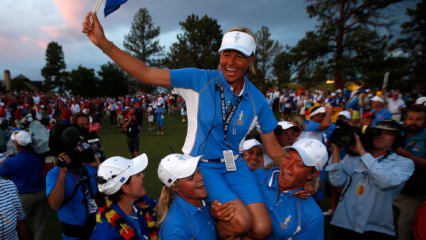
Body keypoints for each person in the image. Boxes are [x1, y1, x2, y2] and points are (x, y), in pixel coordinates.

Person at [83, 15, 288, 238]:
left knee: (261, 228)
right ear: (220, 55)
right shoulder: (198, 79)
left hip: (234, 165)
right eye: (226, 54)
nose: (230, 62)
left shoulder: (257, 99)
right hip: (201, 167)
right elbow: (145, 72)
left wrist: (302, 175)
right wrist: (103, 43)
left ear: (251, 60)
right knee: (241, 222)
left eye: (239, 56)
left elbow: (275, 151)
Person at [327, 120, 414, 239]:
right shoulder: (353, 158)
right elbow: (336, 181)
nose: (380, 136)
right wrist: (336, 151)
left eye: (388, 133)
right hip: (344, 222)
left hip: (377, 228)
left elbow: (386, 182)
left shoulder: (404, 163)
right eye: (377, 132)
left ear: (396, 139)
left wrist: (363, 152)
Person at [254, 138, 328, 240]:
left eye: (299, 164)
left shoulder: (312, 216)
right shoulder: (256, 177)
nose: (288, 166)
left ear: (313, 174)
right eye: (288, 157)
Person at [46, 125, 99, 240]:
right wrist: (63, 172)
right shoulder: (54, 174)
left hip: (97, 228)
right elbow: (54, 205)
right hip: (74, 233)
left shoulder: (88, 168)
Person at [91, 154, 158, 239]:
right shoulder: (106, 234)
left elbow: (160, 205)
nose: (142, 175)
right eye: (137, 174)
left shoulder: (142, 202)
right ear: (125, 188)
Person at [156, 154, 221, 239]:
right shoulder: (175, 228)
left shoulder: (205, 202)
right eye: (191, 178)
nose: (200, 178)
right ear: (175, 187)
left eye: (198, 171)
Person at [0, 130, 47, 240]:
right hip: (41, 193)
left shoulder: (11, 161)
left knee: (18, 225)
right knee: (40, 226)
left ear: (16, 144)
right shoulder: (38, 157)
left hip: (23, 197)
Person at [393, 106, 426, 240]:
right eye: (411, 118)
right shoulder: (399, 134)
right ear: (405, 120)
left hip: (414, 193)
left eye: (419, 119)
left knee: (404, 229)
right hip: (392, 188)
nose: (414, 122)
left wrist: (407, 155)